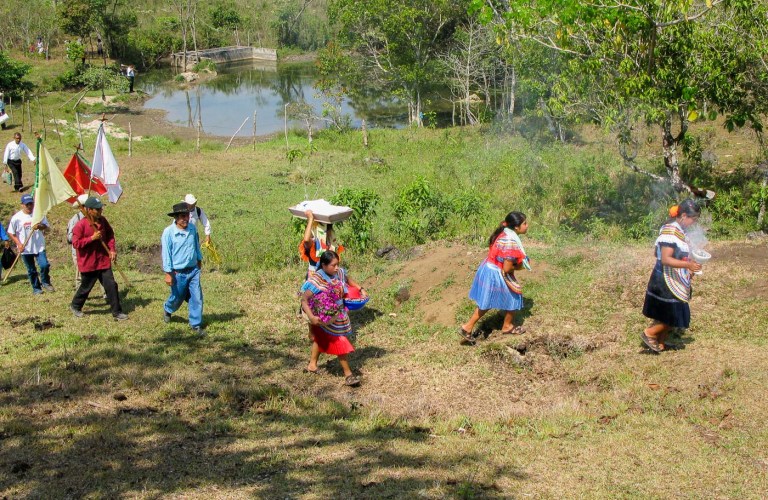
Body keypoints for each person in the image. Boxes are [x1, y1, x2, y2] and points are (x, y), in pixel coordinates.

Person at [459, 211, 530, 345]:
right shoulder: (510, 241)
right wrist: (520, 266)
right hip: (496, 272)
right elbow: (507, 268)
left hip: (488, 267)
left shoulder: (504, 232)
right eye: (524, 223)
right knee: (515, 296)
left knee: (487, 301)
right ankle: (507, 326)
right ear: (516, 227)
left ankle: (467, 327)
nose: (527, 225)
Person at [641, 200, 703, 352]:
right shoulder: (670, 231)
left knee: (667, 313)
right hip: (665, 279)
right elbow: (666, 259)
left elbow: (680, 253)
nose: (693, 223)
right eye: (692, 219)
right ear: (683, 215)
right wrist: (688, 265)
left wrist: (691, 263)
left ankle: (661, 342)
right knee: (674, 313)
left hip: (675, 276)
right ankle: (649, 333)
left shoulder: (680, 230)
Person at [300, 250, 366, 387]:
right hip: (324, 316)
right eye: (333, 265)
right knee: (339, 340)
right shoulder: (317, 279)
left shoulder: (339, 273)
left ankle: (312, 365)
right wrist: (312, 317)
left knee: (321, 337)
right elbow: (304, 300)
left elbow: (347, 279)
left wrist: (360, 288)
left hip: (338, 314)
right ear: (323, 265)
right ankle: (348, 375)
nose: (336, 268)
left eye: (337, 264)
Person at [70, 197, 127, 320]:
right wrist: (91, 238)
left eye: (101, 208)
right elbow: (76, 244)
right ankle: (75, 305)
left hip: (103, 261)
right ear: (89, 210)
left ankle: (117, 312)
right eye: (97, 209)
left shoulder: (103, 221)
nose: (100, 210)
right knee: (86, 287)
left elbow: (110, 235)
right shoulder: (80, 226)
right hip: (89, 263)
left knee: (111, 285)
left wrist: (112, 249)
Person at [162, 202, 205, 335]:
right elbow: (166, 254)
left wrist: (199, 259)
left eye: (187, 215)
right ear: (175, 218)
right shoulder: (168, 233)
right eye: (182, 216)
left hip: (193, 270)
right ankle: (168, 308)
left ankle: (196, 324)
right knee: (177, 297)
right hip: (177, 272)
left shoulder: (192, 229)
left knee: (196, 297)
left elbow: (196, 245)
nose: (185, 219)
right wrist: (168, 273)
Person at [7, 194, 53, 295]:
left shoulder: (39, 214)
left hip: (39, 246)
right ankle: (36, 288)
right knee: (31, 270)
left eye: (31, 204)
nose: (29, 206)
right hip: (26, 248)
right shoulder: (16, 218)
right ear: (22, 205)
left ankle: (45, 282)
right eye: (27, 204)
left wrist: (40, 226)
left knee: (44, 265)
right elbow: (11, 232)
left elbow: (47, 228)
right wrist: (18, 244)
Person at [68, 194, 106, 295]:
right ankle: (79, 295)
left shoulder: (98, 219)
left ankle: (106, 294)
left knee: (103, 275)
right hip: (80, 253)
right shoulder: (76, 220)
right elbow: (70, 238)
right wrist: (90, 238)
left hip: (96, 252)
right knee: (82, 277)